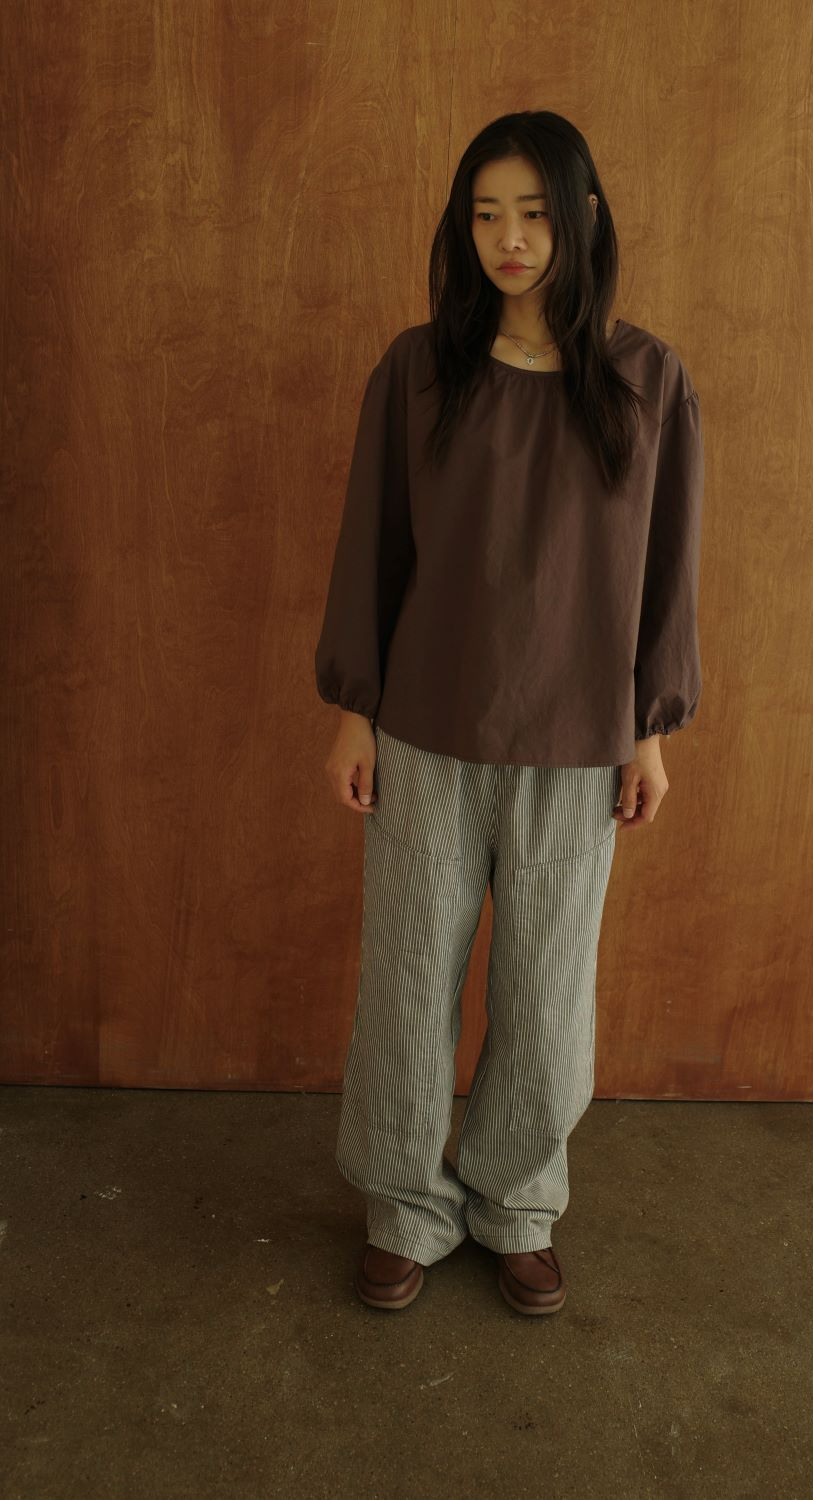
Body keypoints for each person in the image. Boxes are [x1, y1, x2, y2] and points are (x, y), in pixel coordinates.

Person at [314, 110, 704, 1316]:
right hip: (425, 728)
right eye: (486, 214)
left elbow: (666, 569)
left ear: (582, 217)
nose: (510, 239)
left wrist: (648, 730)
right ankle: (404, 1210)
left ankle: (517, 1205)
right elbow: (372, 547)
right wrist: (354, 709)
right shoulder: (418, 369)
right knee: (406, 985)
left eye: (534, 212)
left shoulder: (646, 380)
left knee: (546, 997)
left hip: (578, 742)